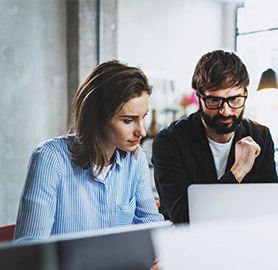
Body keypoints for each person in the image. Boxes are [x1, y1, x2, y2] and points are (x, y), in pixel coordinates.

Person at [14, 60, 166, 241]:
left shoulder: (136, 159)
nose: (142, 131)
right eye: (128, 120)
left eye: (143, 117)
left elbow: (153, 229)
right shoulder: (49, 159)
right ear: (98, 118)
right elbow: (31, 247)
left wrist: (160, 253)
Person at [152, 50, 278, 223]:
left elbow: (269, 209)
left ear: (245, 94)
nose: (225, 111)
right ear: (199, 96)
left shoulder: (261, 137)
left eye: (234, 99)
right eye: (214, 100)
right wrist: (238, 171)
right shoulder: (170, 141)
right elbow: (182, 216)